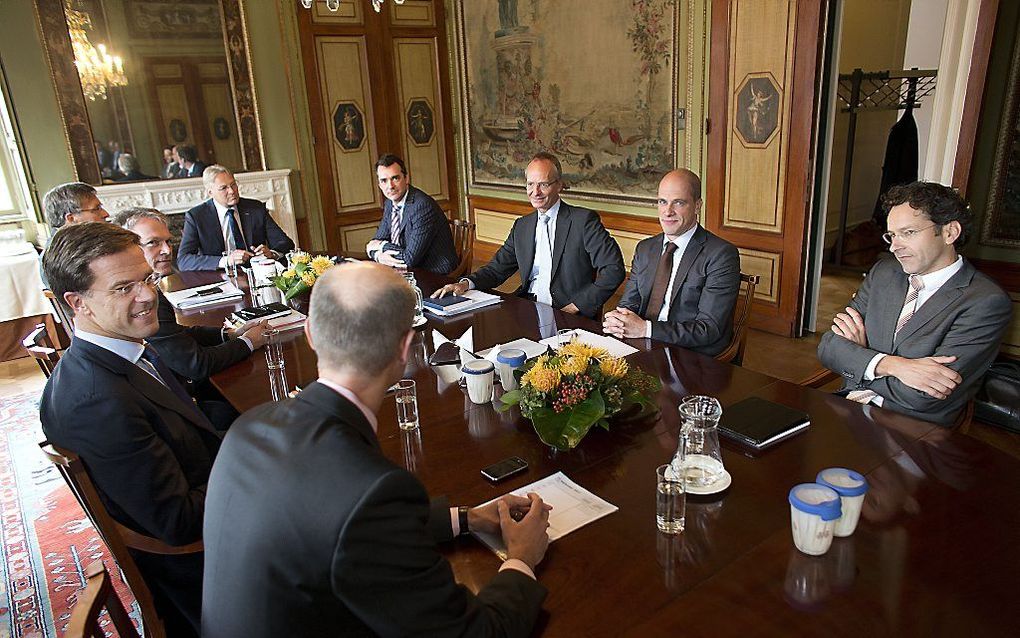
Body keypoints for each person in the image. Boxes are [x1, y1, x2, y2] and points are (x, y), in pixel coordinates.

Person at [203, 262, 551, 637]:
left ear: (309, 334)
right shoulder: (373, 493)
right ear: (405, 348)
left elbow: (329, 524)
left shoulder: (248, 426)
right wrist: (521, 559)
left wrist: (466, 519)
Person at [40, 222, 220, 636]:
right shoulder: (96, 401)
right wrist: (266, 465)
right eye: (123, 288)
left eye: (146, 279)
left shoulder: (124, 352)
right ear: (77, 302)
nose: (147, 296)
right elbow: (179, 522)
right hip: (205, 578)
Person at [817, 181, 1012, 426]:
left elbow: (923, 396)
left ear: (950, 232)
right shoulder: (884, 272)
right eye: (892, 235)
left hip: (911, 430)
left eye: (908, 233)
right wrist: (894, 366)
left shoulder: (986, 301)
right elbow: (829, 348)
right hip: (847, 408)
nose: (894, 246)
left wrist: (861, 361)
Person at [115, 207, 268, 428]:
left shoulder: (150, 286)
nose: (167, 250)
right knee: (259, 408)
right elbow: (196, 364)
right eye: (153, 243)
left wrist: (229, 333)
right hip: (179, 412)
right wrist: (249, 342)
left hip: (176, 389)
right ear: (128, 249)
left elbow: (177, 333)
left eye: (168, 241)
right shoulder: (142, 300)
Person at [432, 152, 625, 319]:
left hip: (567, 313)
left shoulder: (583, 221)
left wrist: (576, 306)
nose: (535, 192)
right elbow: (496, 269)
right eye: (530, 184)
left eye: (543, 184)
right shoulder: (522, 226)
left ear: (559, 185)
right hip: (527, 308)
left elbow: (614, 269)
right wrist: (464, 284)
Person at [602, 169, 741, 356]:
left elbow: (708, 329)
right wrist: (619, 319)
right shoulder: (646, 248)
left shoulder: (721, 255)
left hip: (691, 353)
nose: (668, 212)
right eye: (662, 202)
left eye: (679, 202)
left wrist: (646, 329)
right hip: (643, 345)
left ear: (697, 206)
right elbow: (629, 303)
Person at [177, 165, 295, 271]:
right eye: (224, 188)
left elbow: (286, 243)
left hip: (256, 271)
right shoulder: (197, 217)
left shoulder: (255, 208)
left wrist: (271, 253)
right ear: (210, 192)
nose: (232, 191)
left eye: (233, 184)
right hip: (221, 277)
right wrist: (227, 260)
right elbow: (183, 260)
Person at [365, 154, 458, 273]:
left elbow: (409, 259)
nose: (390, 186)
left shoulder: (422, 206)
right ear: (379, 184)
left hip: (435, 273)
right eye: (384, 180)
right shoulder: (390, 203)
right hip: (407, 269)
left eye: (395, 178)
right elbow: (378, 239)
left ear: (406, 178)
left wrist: (381, 246)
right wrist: (378, 255)